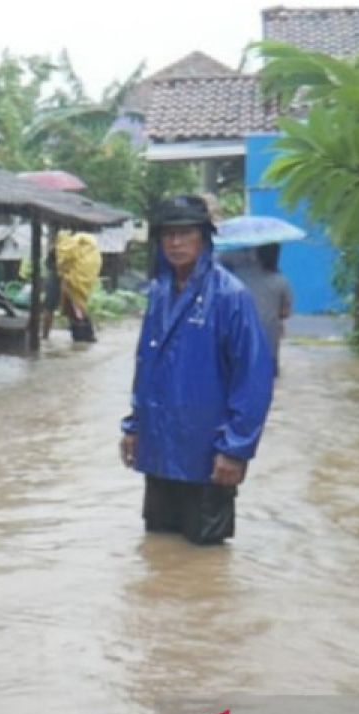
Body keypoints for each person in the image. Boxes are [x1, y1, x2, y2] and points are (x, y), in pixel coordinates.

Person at [120, 196, 275, 544]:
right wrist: (134, 426)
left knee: (205, 556)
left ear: (203, 237)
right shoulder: (159, 293)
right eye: (168, 235)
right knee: (159, 552)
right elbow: (146, 366)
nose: (175, 243)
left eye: (185, 233)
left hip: (208, 456)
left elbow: (253, 379)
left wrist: (235, 449)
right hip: (159, 449)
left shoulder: (230, 297)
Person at [222, 244, 293, 376]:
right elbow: (285, 313)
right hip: (269, 345)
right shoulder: (281, 281)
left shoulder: (236, 279)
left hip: (238, 342)